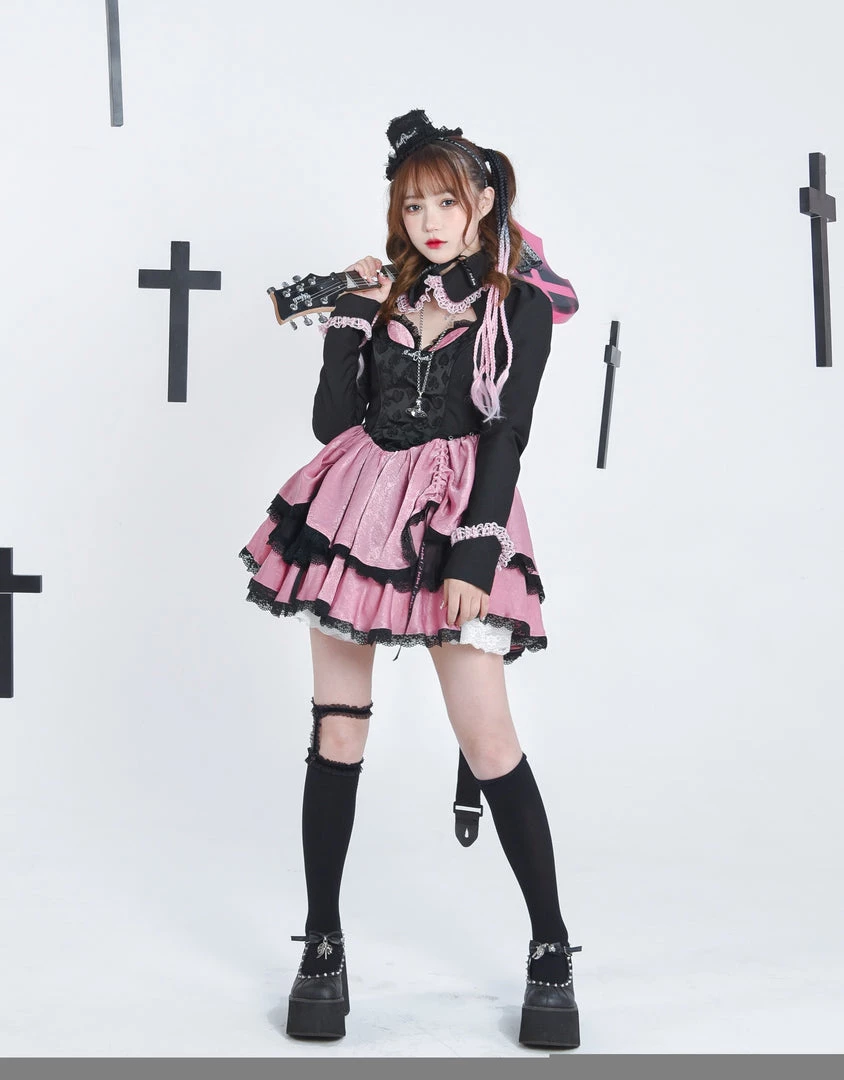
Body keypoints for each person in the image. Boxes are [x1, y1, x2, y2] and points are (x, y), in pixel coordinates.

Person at [238, 108, 581, 1050]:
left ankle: (551, 946)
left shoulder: (516, 305)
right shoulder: (385, 294)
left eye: (447, 202)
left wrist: (475, 553)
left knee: (490, 740)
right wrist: (349, 321)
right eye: (413, 204)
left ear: (483, 204)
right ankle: (323, 944)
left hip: (455, 518)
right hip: (353, 513)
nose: (429, 221)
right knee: (337, 731)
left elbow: (506, 434)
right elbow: (333, 423)